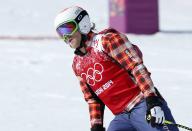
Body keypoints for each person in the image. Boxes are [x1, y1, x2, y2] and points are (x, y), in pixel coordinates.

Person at [54, 6, 179, 131]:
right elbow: (92, 99)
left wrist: (152, 100)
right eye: (61, 33)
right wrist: (96, 125)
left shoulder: (107, 41)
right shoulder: (77, 64)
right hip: (122, 117)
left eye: (68, 29)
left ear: (82, 24)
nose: (66, 37)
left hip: (143, 106)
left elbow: (137, 68)